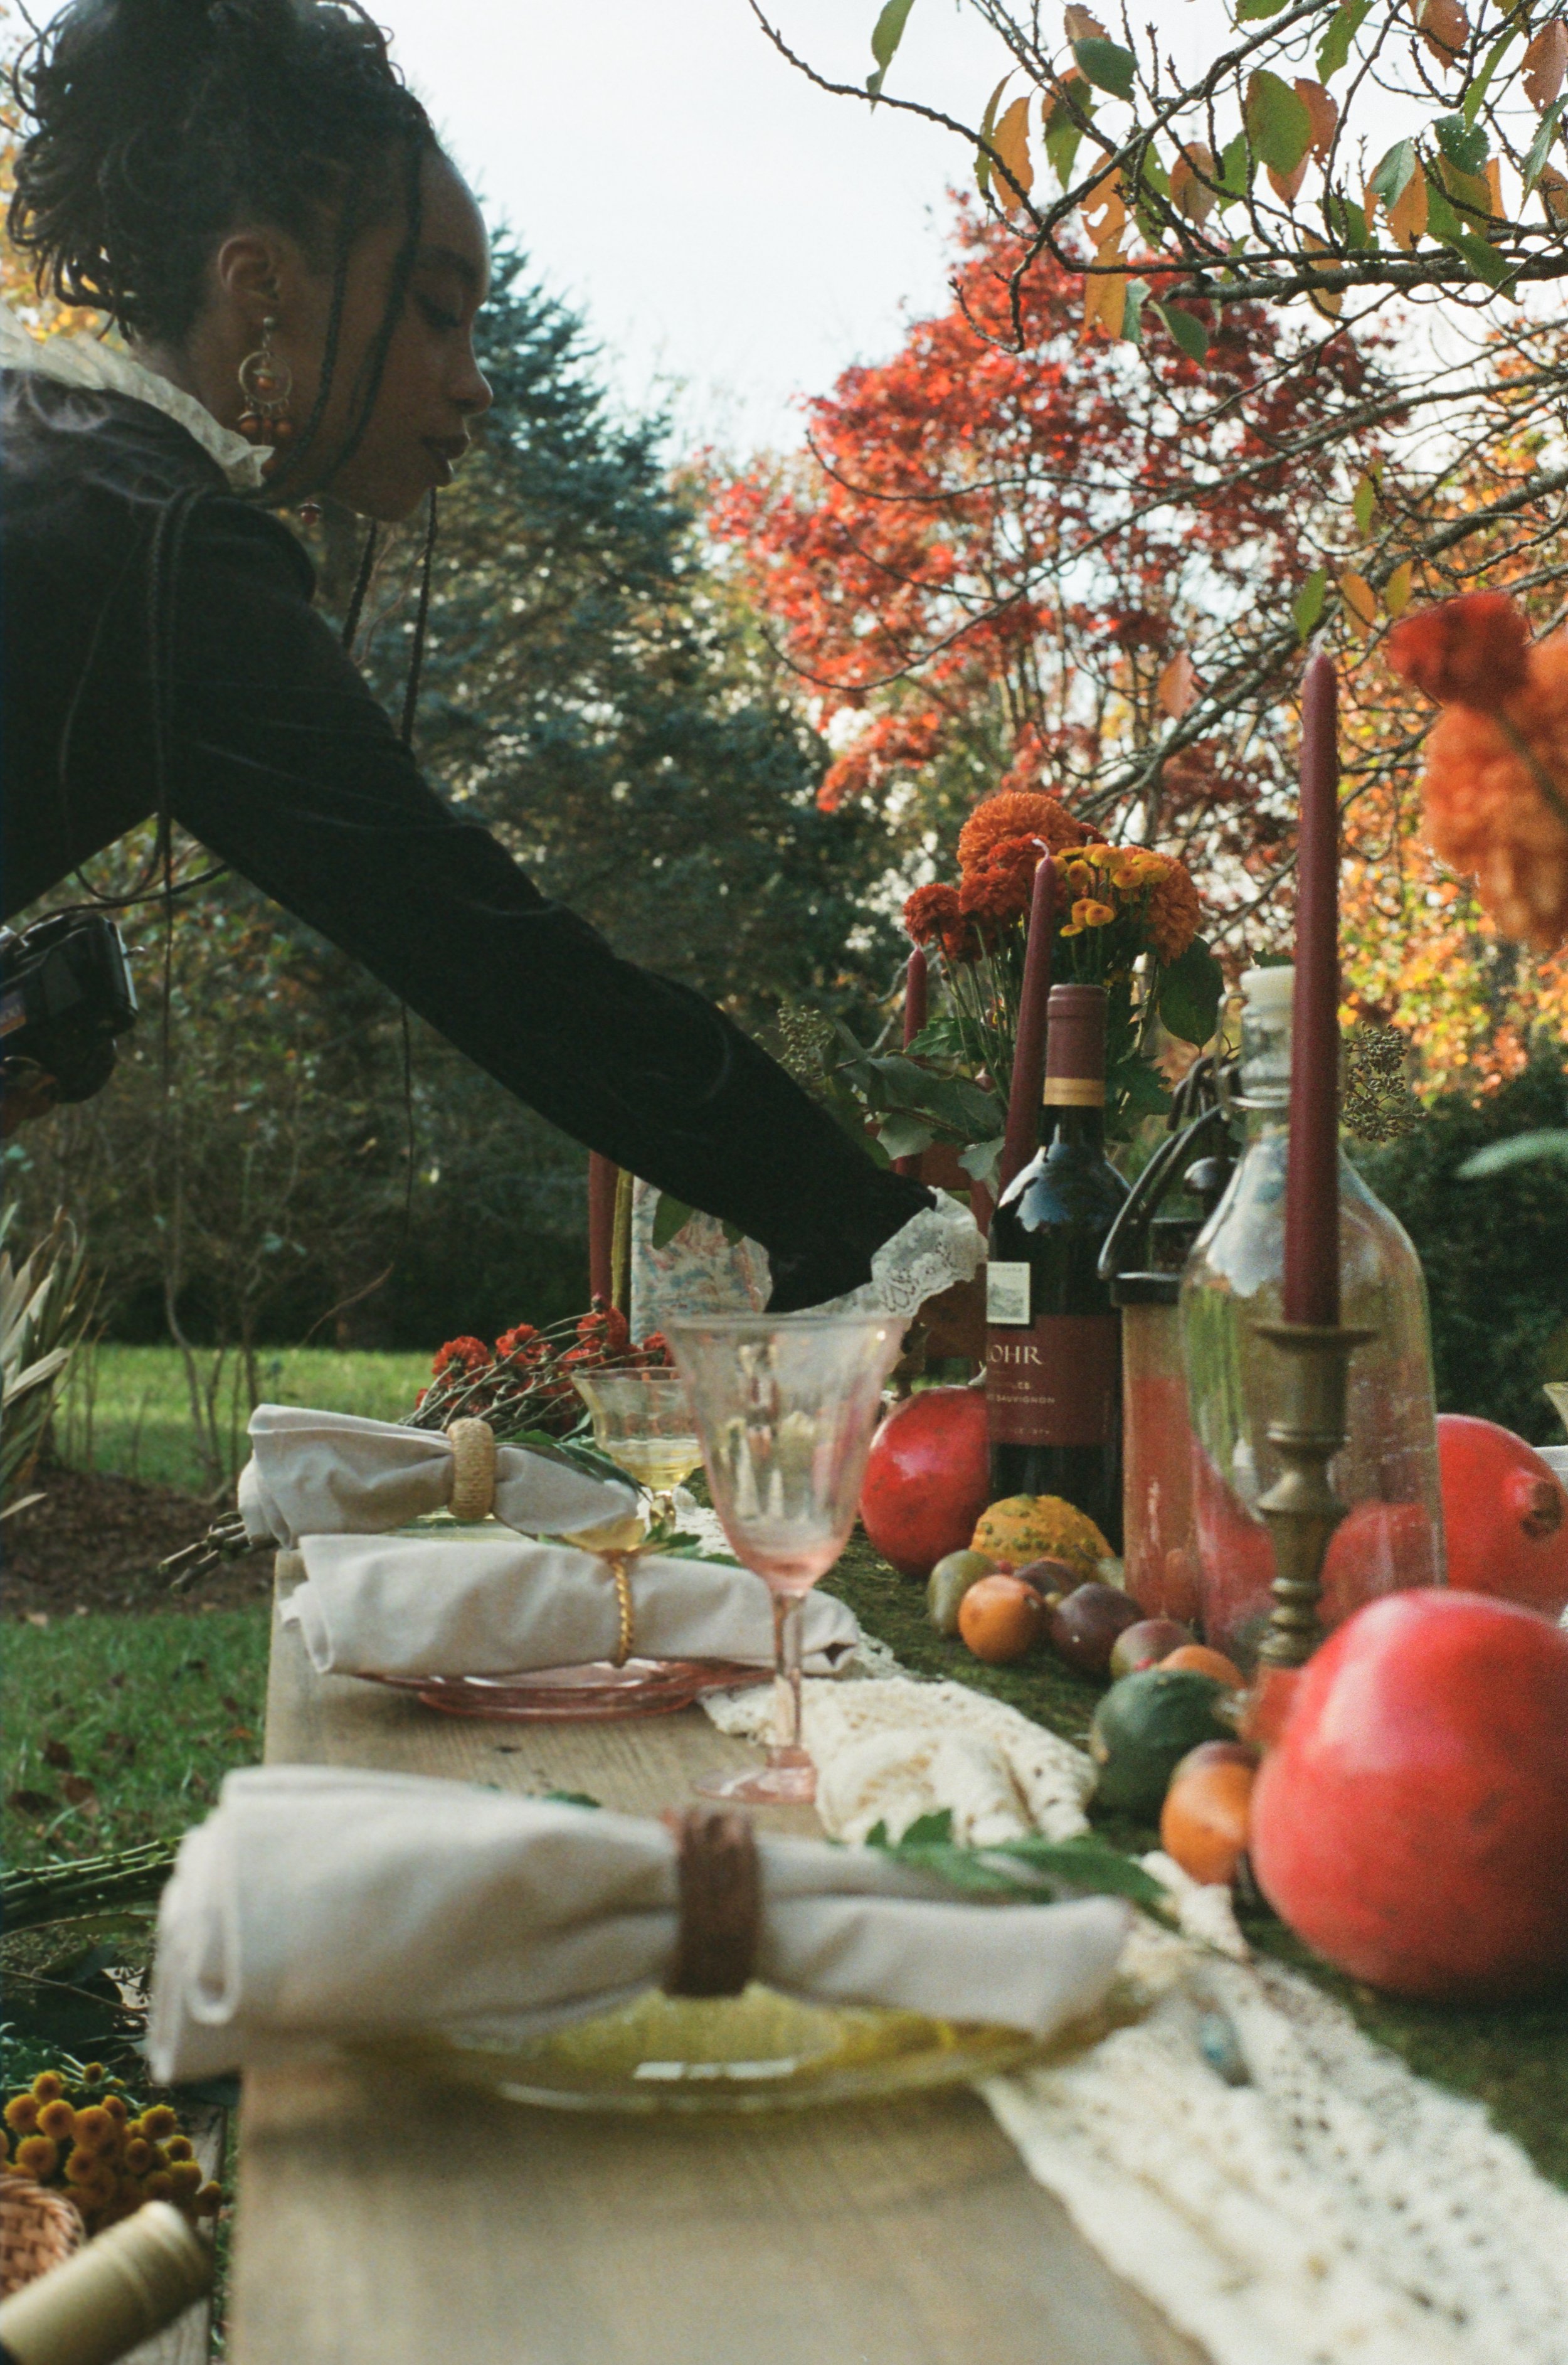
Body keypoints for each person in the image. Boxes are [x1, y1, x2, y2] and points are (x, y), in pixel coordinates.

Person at [0, 0, 980, 1319]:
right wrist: (866, 1227)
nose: (474, 384)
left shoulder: (53, 458)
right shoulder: (159, 549)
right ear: (260, 288)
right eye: (434, 313)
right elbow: (489, 954)